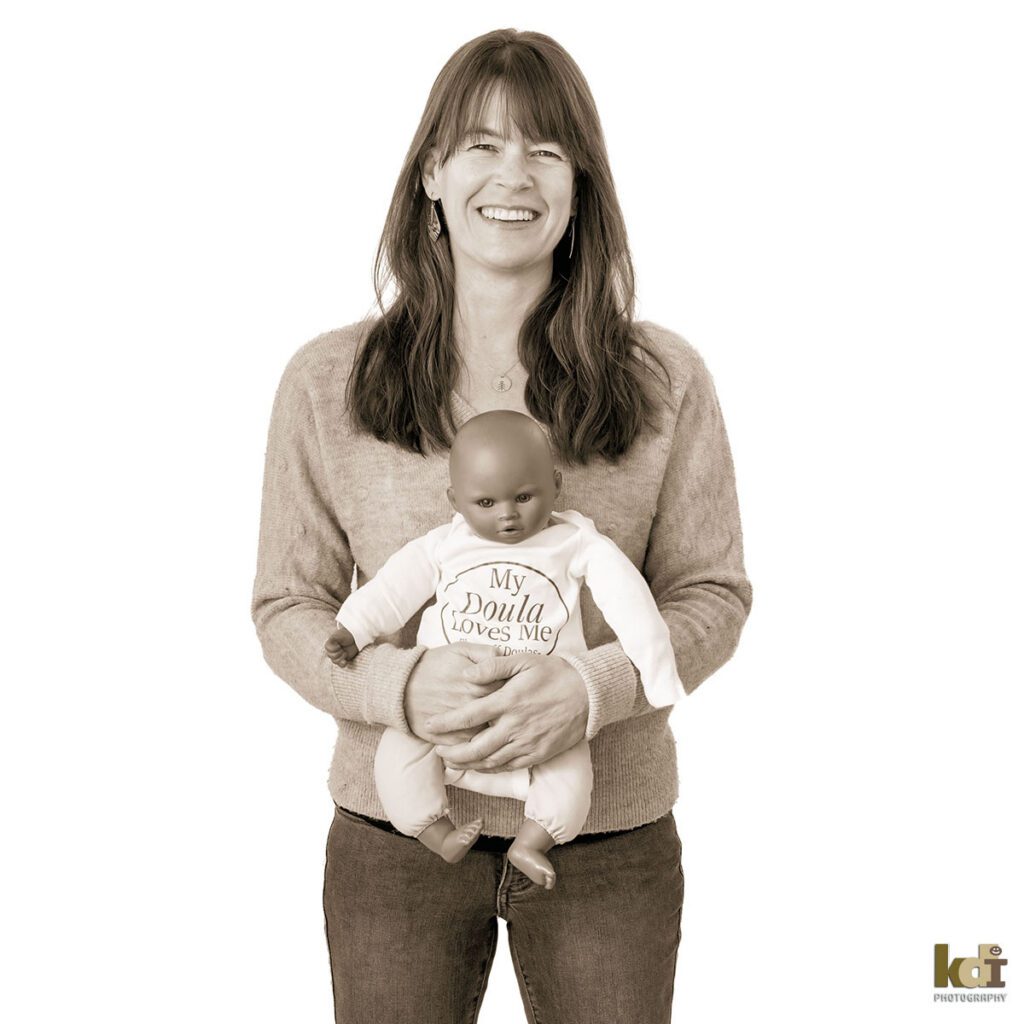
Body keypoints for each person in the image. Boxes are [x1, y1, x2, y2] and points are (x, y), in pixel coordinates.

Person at [252, 27, 752, 1024]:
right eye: (480, 143)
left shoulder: (664, 381)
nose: (511, 173)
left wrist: (590, 690)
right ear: (431, 173)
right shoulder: (327, 381)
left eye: (545, 149)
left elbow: (712, 595)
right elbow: (286, 605)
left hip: (603, 841)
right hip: (393, 838)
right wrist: (396, 683)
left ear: (579, 190)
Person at [324, 410, 685, 889]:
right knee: (397, 760)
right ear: (455, 501)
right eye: (486, 502)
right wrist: (352, 628)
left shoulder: (575, 543)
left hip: (546, 711)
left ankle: (534, 840)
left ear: (556, 485)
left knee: (570, 775)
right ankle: (437, 832)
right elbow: (393, 589)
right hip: (444, 707)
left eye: (523, 496)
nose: (507, 515)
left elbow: (631, 605)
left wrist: (656, 672)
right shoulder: (444, 544)